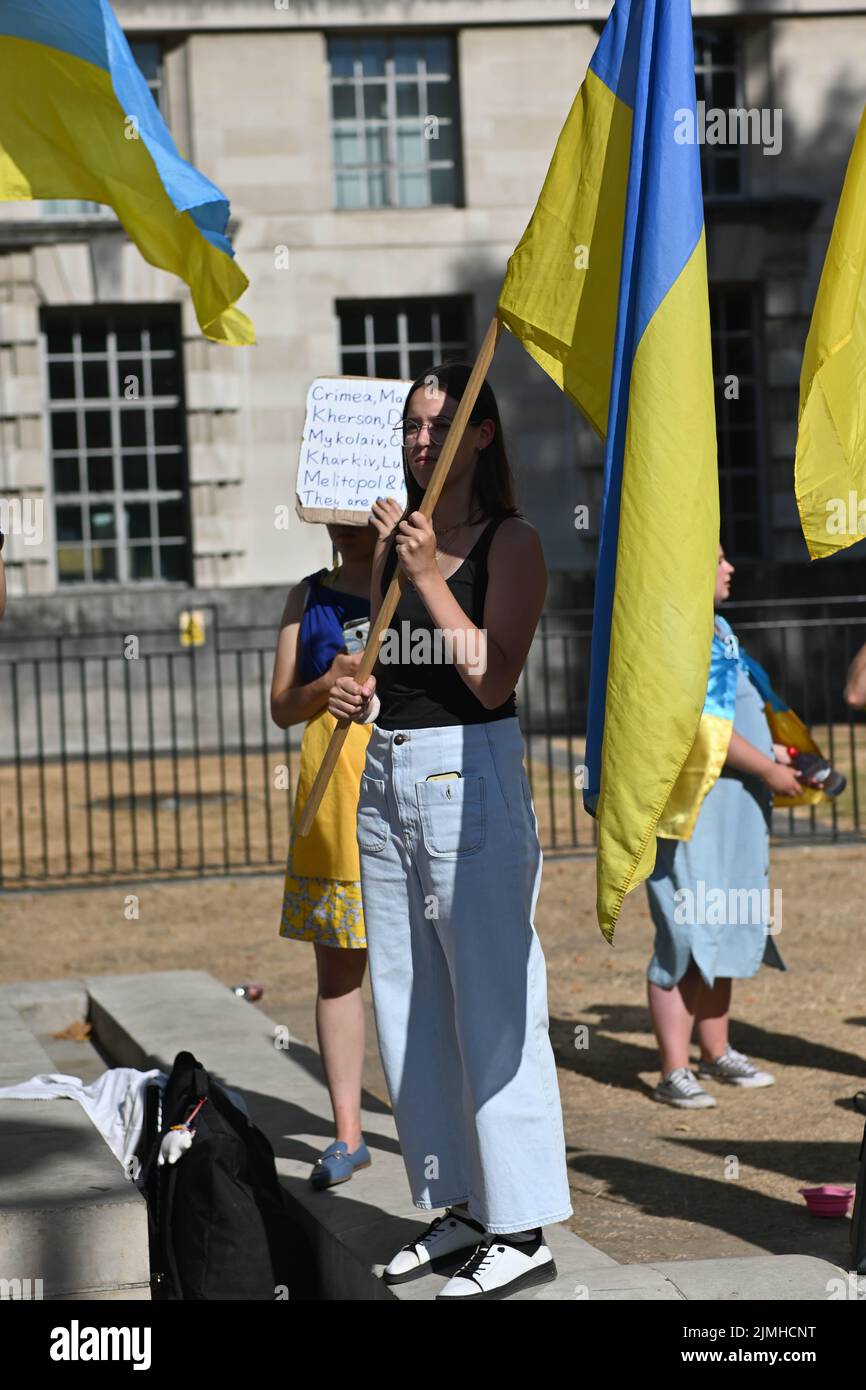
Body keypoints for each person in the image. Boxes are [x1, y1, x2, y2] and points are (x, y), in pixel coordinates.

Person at [328, 361, 572, 1301]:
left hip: (470, 782)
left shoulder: (512, 542)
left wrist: (430, 574)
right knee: (409, 1001)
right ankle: (458, 1204)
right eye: (411, 427)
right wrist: (355, 686)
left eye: (438, 425)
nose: (420, 441)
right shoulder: (393, 549)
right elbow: (399, 666)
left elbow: (492, 676)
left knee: (493, 1000)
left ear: (481, 436)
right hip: (389, 772)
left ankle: (521, 1225)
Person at [644, 545, 804, 1108]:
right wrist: (767, 767)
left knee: (729, 919)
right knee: (685, 934)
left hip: (736, 808)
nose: (730, 567)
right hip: (691, 810)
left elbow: (738, 708)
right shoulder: (672, 634)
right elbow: (696, 724)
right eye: (715, 558)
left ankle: (715, 1052)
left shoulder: (719, 627)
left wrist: (776, 748)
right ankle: (673, 1070)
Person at [270, 520, 379, 1188]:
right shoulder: (306, 596)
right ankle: (347, 1131)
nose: (345, 523)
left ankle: (441, 1126)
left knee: (425, 967)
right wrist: (324, 686)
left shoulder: (419, 588)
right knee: (338, 969)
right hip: (330, 792)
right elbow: (283, 705)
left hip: (399, 783)